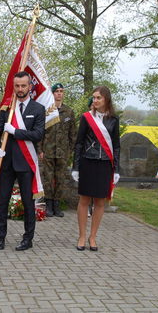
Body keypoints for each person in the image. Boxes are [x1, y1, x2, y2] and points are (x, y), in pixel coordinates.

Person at [0, 71, 45, 251]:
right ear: (13, 87)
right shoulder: (7, 108)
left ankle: (27, 239)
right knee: (2, 201)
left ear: (30, 87)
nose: (20, 89)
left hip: (26, 163)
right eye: (17, 86)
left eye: (23, 85)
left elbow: (38, 135)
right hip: (6, 163)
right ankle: (1, 237)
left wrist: (15, 131)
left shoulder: (38, 109)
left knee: (28, 202)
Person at [72, 86, 120, 252]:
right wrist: (75, 167)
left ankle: (93, 237)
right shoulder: (86, 118)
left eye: (98, 97)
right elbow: (79, 143)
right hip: (88, 162)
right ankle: (82, 236)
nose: (95, 100)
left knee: (100, 202)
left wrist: (117, 169)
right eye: (94, 98)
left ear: (106, 99)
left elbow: (116, 146)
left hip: (105, 164)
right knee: (84, 200)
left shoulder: (114, 119)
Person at [39, 83, 76, 217]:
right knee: (48, 178)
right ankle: (48, 204)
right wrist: (40, 149)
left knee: (61, 178)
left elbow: (73, 134)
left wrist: (70, 150)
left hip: (63, 152)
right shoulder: (47, 111)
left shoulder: (69, 112)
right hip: (48, 150)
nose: (59, 93)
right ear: (52, 94)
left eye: (61, 91)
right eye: (57, 91)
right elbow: (41, 132)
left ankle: (56, 204)